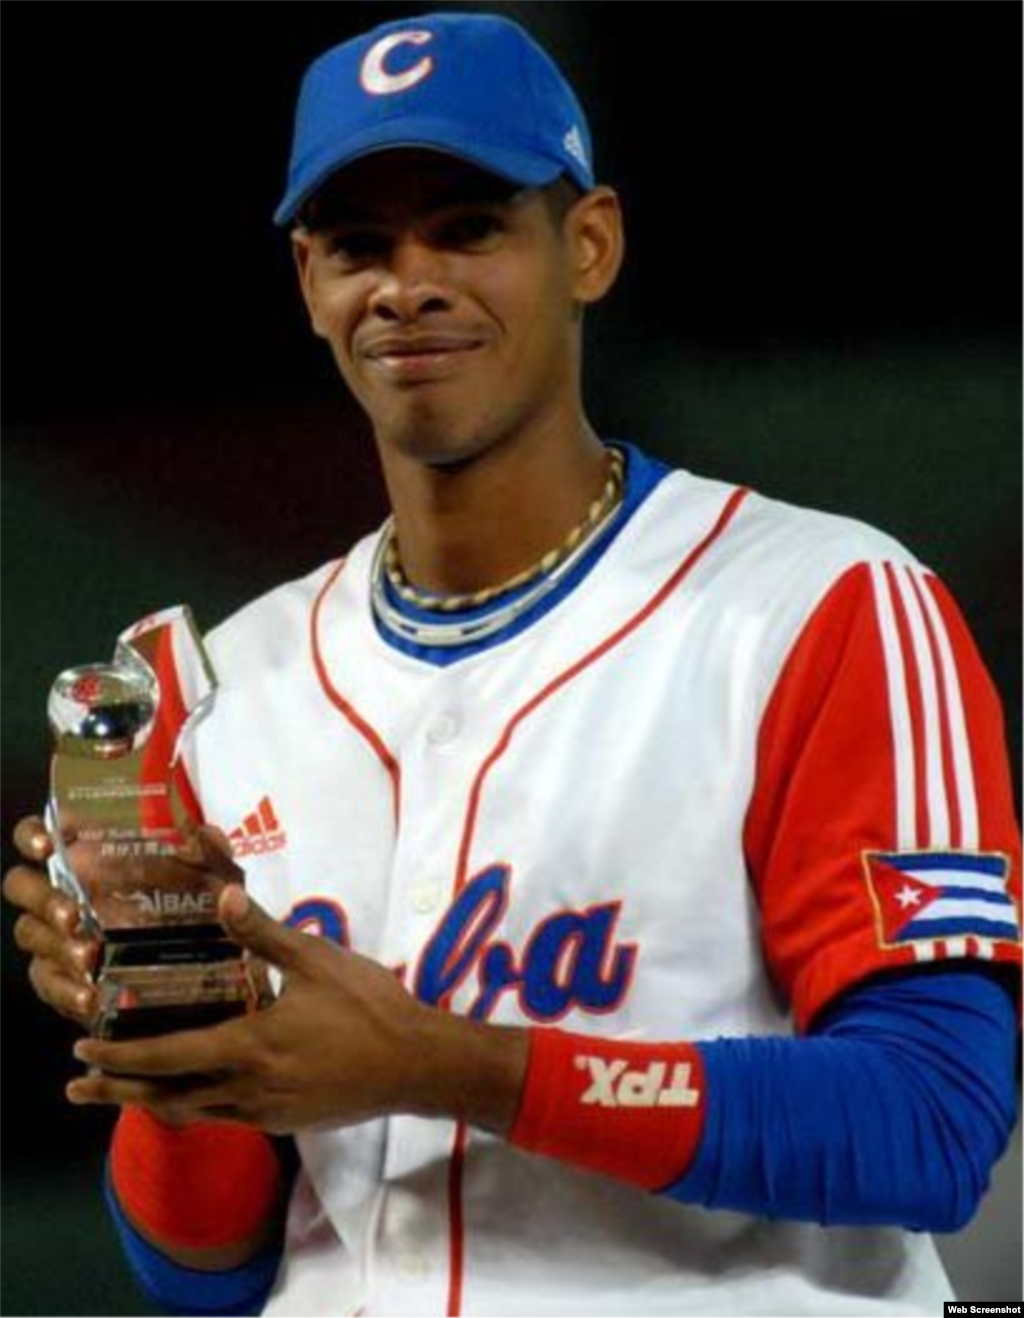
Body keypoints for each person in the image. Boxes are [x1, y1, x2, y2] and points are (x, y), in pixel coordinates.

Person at [5, 11, 1022, 1318]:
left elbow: (931, 1123)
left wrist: (445, 1062)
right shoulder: (222, 693)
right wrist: (169, 1049)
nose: (408, 281)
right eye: (360, 242)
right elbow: (201, 1269)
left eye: (469, 225)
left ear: (589, 245)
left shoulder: (820, 605)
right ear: (308, 281)